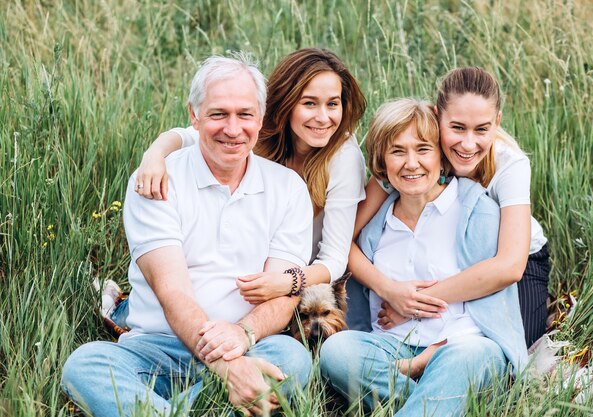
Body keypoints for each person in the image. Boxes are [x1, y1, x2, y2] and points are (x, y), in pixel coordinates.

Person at [61, 54, 315, 417]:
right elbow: (172, 291)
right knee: (85, 364)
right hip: (156, 350)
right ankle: (214, 404)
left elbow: (284, 295)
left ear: (260, 118)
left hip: (245, 344)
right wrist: (227, 368)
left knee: (292, 358)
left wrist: (242, 335)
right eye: (218, 114)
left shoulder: (287, 188)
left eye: (244, 114)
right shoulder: (156, 181)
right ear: (194, 116)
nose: (232, 128)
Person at [320, 98, 528, 416]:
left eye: (422, 149)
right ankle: (444, 399)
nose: (411, 163)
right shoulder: (375, 225)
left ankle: (436, 388)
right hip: (392, 348)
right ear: (382, 162)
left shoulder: (477, 211)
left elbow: (494, 300)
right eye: (397, 151)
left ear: (441, 156)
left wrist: (426, 357)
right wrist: (390, 291)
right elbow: (339, 248)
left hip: (459, 345)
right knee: (337, 351)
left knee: (465, 358)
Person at [133, 48, 367, 299]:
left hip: (301, 276)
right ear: (287, 103)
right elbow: (192, 134)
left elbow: (334, 258)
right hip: (249, 266)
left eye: (333, 104)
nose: (323, 117)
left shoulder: (343, 157)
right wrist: (155, 154)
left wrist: (286, 281)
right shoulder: (253, 129)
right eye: (309, 103)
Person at [346, 67, 550, 348]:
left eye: (482, 129)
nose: (468, 144)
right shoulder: (413, 158)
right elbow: (344, 238)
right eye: (457, 127)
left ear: (497, 122)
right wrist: (389, 291)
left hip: (517, 258)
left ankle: (432, 359)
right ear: (436, 116)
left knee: (510, 353)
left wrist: (413, 306)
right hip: (447, 259)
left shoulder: (509, 164)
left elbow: (509, 267)